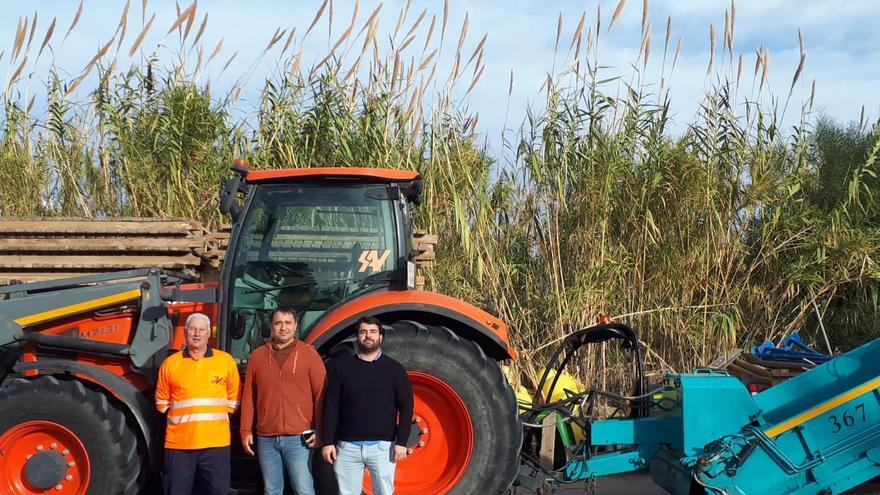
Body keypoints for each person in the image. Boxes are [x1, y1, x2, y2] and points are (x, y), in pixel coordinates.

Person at [320, 316, 414, 495]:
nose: (368, 336)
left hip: (382, 447)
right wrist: (328, 442)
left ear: (381, 337)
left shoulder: (394, 370)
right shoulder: (341, 368)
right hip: (348, 447)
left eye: (373, 332)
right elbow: (331, 406)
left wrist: (401, 441)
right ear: (357, 337)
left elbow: (406, 406)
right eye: (363, 332)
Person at [240, 307, 327, 495]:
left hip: (299, 438)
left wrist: (321, 430)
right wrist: (245, 430)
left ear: (295, 326)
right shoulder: (257, 357)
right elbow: (249, 396)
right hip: (266, 437)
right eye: (278, 323)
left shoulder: (309, 355)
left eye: (288, 323)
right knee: (272, 490)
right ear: (271, 326)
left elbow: (321, 395)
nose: (283, 328)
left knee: (303, 489)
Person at [155, 312, 240, 495]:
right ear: (185, 332)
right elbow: (162, 403)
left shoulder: (225, 361)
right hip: (179, 446)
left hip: (216, 445)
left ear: (209, 333)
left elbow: (233, 398)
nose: (197, 333)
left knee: (218, 491)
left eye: (202, 329)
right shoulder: (170, 364)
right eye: (193, 329)